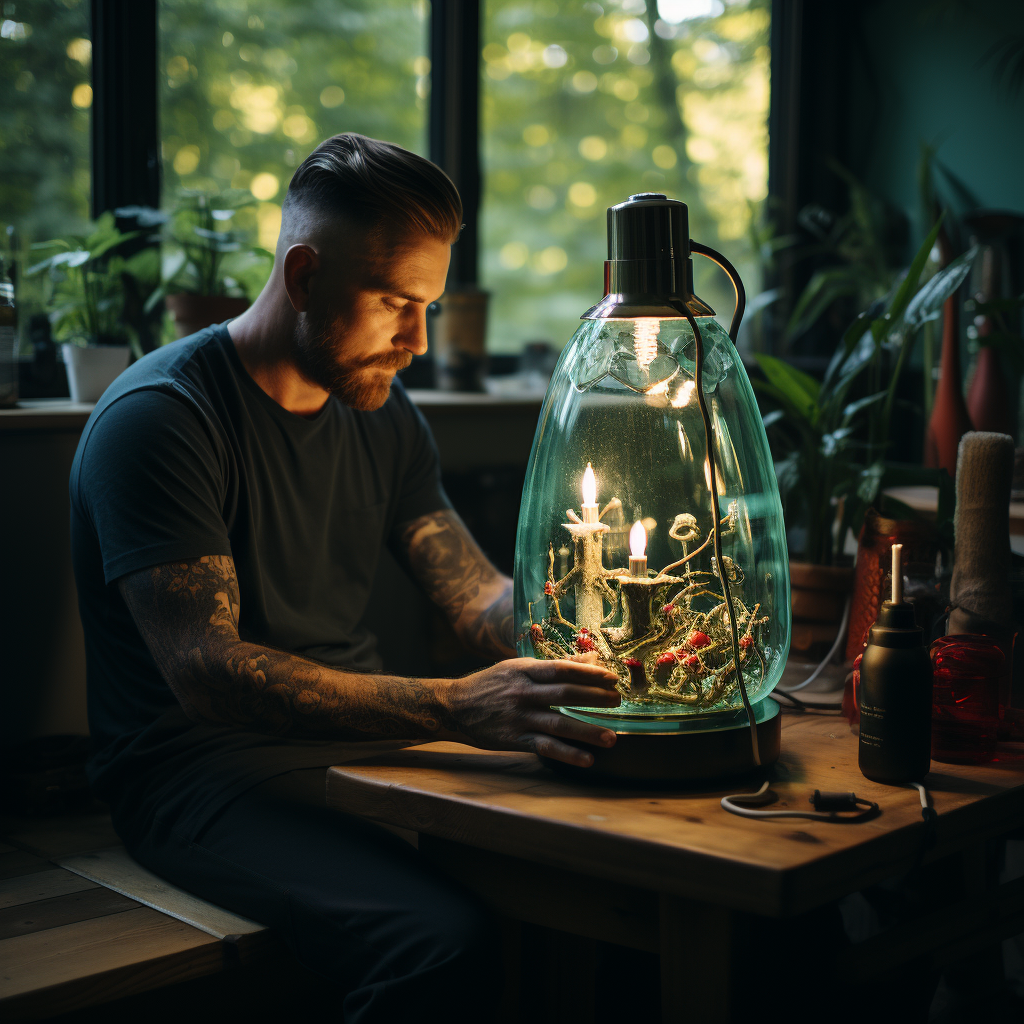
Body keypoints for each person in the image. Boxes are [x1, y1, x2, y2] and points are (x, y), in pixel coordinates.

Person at [69, 133, 620, 1022]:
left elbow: (476, 597)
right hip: (200, 778)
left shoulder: (382, 410)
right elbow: (210, 676)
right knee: (441, 943)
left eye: (429, 305)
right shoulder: (161, 419)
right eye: (396, 303)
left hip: (364, 751)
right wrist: (455, 707)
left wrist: (607, 609)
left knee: (601, 878)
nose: (417, 339)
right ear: (302, 275)